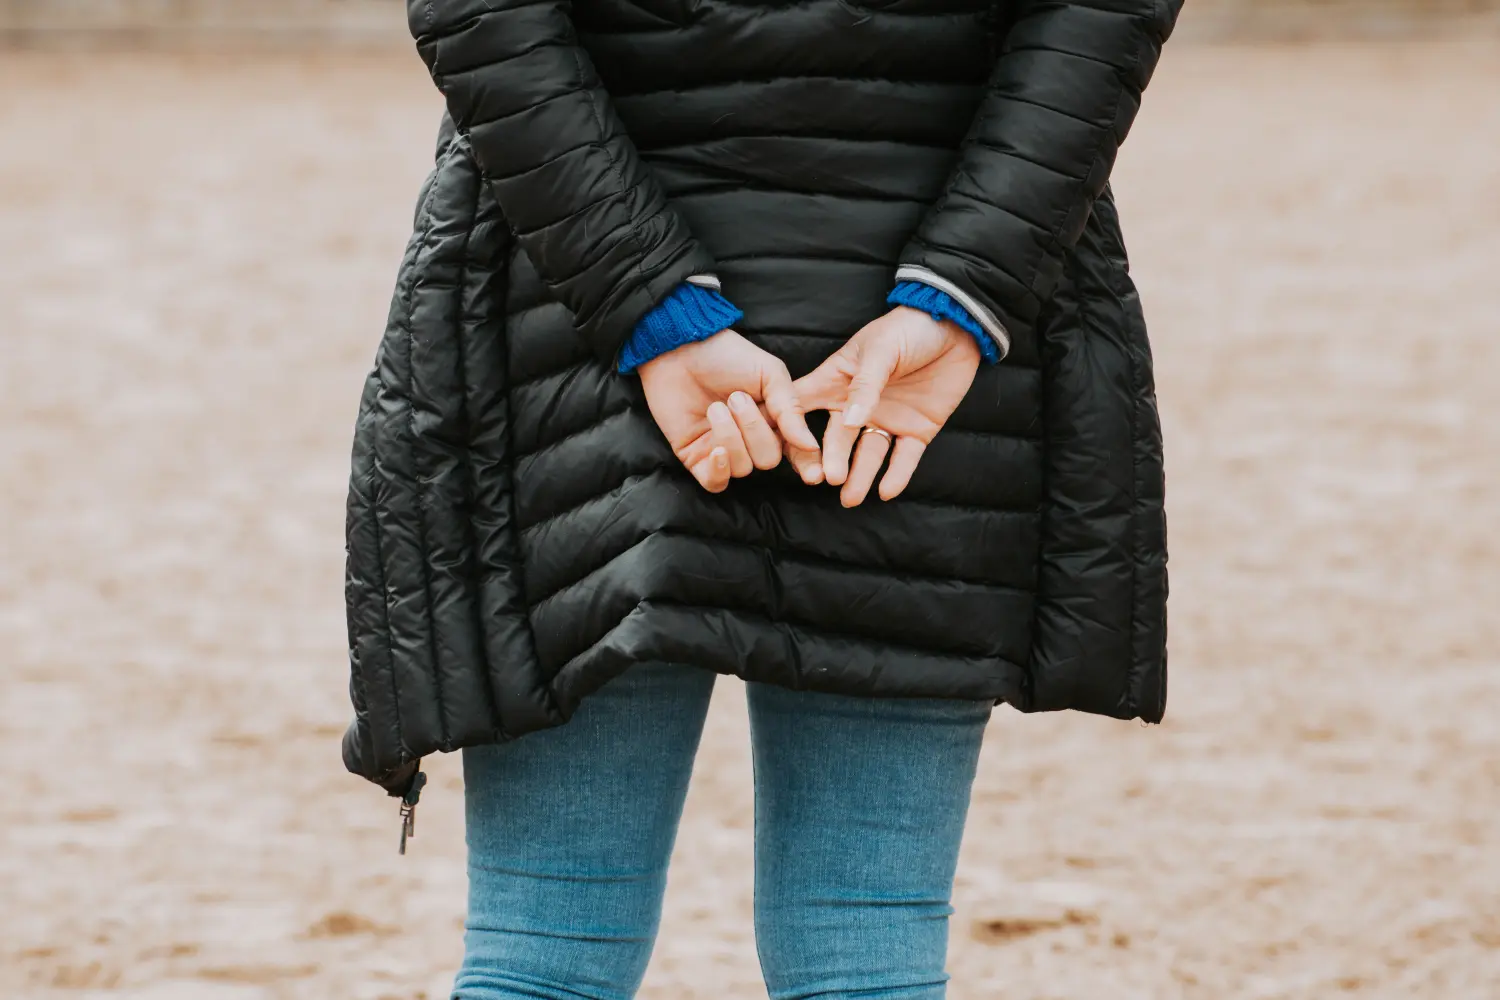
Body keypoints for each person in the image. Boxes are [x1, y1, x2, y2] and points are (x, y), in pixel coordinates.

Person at [341, 0, 1179, 995]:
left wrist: (646, 302)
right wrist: (964, 289)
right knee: (867, 945)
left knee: (547, 950)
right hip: (918, 333)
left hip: (570, 321)